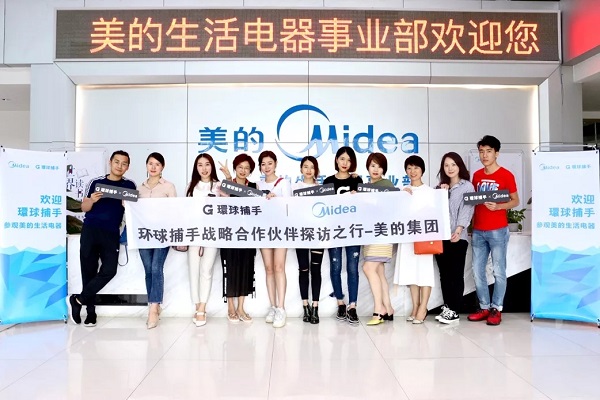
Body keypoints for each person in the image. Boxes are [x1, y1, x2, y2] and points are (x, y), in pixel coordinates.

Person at [69, 150, 136, 327]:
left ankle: (78, 300)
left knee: (109, 270)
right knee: (88, 271)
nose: (120, 166)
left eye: (124, 163)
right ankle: (91, 313)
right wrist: (91, 200)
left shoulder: (129, 185)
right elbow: (84, 207)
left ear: (128, 167)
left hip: (111, 233)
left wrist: (127, 206)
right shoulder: (96, 182)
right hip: (91, 230)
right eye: (117, 162)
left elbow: (134, 211)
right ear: (110, 162)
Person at [468, 135, 519, 326]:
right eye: (481, 151)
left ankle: (496, 308)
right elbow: (473, 202)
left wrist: (498, 206)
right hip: (478, 231)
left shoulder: (506, 175)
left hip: (498, 230)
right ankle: (484, 307)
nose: (485, 155)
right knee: (477, 271)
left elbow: (515, 200)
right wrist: (471, 226)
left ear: (497, 153)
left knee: (498, 271)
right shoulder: (476, 175)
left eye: (489, 151)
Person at [434, 152, 474, 324]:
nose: (450, 168)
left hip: (458, 237)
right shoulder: (439, 188)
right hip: (441, 237)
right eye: (446, 165)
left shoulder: (467, 186)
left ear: (459, 166)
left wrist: (458, 230)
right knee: (444, 275)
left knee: (456, 274)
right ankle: (448, 307)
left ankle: (455, 310)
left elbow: (467, 210)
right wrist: (442, 194)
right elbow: (434, 211)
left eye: (453, 164)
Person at [393, 155, 435, 324]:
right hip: (408, 237)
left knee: (424, 272)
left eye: (416, 168)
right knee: (412, 273)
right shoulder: (403, 191)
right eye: (409, 168)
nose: (413, 171)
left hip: (425, 237)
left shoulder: (430, 192)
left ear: (422, 170)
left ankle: (423, 307)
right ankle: (415, 307)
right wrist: (401, 197)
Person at [324, 146, 363, 324]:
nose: (345, 163)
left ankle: (352, 306)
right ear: (336, 160)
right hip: (334, 231)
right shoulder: (328, 182)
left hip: (353, 230)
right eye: (342, 159)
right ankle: (340, 302)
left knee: (353, 268)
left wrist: (357, 196)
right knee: (336, 267)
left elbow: (364, 205)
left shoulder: (357, 180)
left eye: (348, 160)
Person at [138, 152, 177, 329]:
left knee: (156, 267)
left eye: (157, 164)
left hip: (162, 234)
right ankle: (153, 304)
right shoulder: (139, 188)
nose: (153, 167)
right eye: (150, 163)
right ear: (146, 165)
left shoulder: (169, 186)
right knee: (148, 270)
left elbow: (175, 210)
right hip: (143, 234)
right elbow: (134, 211)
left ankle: (153, 309)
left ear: (162, 167)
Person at [219, 153, 257, 323]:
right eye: (240, 167)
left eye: (247, 168)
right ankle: (230, 307)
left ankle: (241, 307)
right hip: (229, 235)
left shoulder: (254, 187)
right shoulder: (227, 185)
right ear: (235, 168)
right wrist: (228, 178)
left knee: (245, 270)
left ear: (251, 171)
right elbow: (222, 204)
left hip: (248, 235)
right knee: (230, 269)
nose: (243, 170)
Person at [256, 150, 292, 328]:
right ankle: (272, 306)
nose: (266, 167)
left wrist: (277, 200)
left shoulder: (284, 183)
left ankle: (281, 308)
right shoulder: (258, 184)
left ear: (276, 164)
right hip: (264, 230)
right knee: (269, 268)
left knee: (279, 267)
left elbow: (290, 207)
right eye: (263, 164)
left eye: (269, 163)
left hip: (281, 230)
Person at [185, 153, 222, 327]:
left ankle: (202, 308)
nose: (204, 168)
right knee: (193, 270)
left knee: (206, 270)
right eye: (200, 165)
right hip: (193, 232)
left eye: (207, 164)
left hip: (212, 232)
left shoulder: (219, 186)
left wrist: (228, 177)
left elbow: (228, 205)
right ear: (196, 168)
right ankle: (196, 305)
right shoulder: (191, 186)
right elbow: (185, 210)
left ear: (212, 166)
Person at [361, 153, 396, 326]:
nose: (376, 169)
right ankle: (388, 308)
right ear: (368, 167)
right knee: (379, 271)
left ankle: (378, 310)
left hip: (382, 233)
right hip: (369, 234)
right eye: (373, 165)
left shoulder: (386, 185)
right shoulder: (365, 187)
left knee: (368, 267)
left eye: (379, 166)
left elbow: (393, 205)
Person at [291, 156, 324, 324]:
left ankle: (315, 307)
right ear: (301, 169)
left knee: (316, 270)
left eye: (312, 167)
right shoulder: (294, 188)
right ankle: (305, 306)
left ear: (316, 170)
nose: (309, 170)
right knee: (303, 269)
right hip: (301, 233)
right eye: (305, 166)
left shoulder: (322, 189)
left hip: (318, 234)